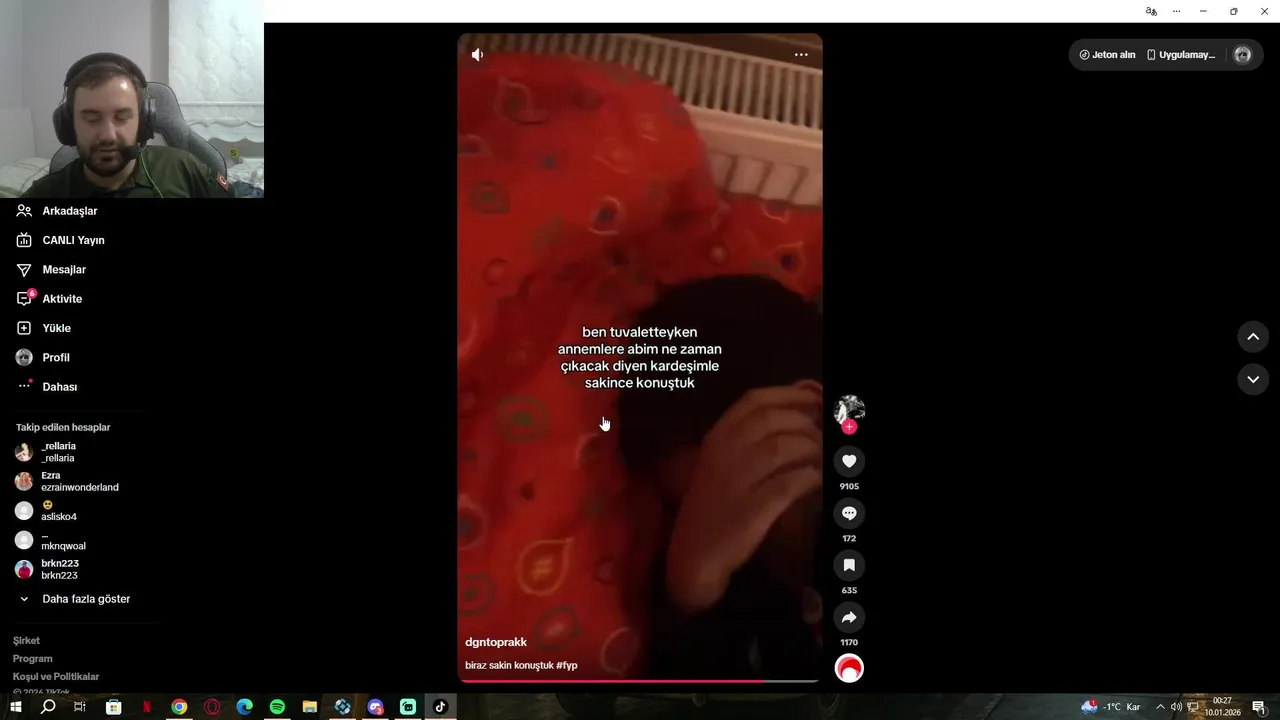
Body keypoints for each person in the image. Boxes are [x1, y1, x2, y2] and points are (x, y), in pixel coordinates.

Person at [616, 275, 824, 679]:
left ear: (806, 411)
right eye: (690, 511)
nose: (724, 530)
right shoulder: (738, 586)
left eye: (738, 491)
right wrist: (694, 589)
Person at [21, 53, 235, 199]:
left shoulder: (185, 168)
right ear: (69, 125)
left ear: (144, 122)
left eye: (122, 117)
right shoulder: (44, 194)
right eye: (92, 119)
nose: (108, 135)